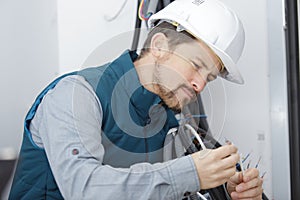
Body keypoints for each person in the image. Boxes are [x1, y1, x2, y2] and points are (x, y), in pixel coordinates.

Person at [9, 0, 263, 199]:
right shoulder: (76, 94)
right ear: (160, 46)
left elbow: (155, 188)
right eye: (196, 65)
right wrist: (192, 173)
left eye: (209, 77)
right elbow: (83, 188)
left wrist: (223, 190)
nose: (200, 84)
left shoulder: (166, 120)